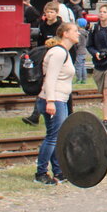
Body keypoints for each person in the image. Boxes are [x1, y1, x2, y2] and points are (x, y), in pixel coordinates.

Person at [34, 20, 78, 185]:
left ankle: (59, 172)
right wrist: (51, 101)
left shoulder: (64, 52)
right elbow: (50, 78)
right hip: (54, 99)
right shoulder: (58, 53)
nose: (78, 34)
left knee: (58, 136)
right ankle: (41, 173)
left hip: (59, 99)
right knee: (53, 137)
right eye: (74, 31)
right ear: (65, 34)